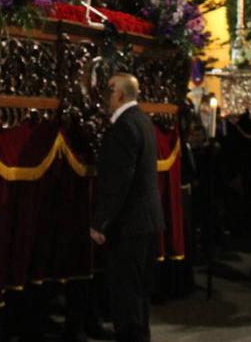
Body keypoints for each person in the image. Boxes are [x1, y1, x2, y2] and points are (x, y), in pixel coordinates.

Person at [90, 73, 165, 342]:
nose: (105, 98)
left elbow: (119, 181)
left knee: (126, 294)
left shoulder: (122, 127)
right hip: (147, 222)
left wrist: (101, 223)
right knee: (140, 293)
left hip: (128, 225)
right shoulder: (143, 121)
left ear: (119, 94)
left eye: (109, 92)